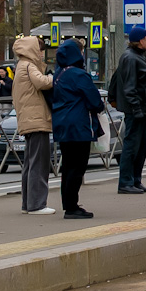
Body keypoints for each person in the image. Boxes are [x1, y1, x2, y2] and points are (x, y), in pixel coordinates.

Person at [51, 38, 105, 219]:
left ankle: (68, 204)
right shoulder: (79, 75)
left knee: (67, 166)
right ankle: (72, 207)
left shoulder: (59, 74)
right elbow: (95, 101)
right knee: (77, 166)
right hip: (79, 125)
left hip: (62, 124)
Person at [109, 25, 146, 194]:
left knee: (141, 146)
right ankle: (126, 182)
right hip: (135, 110)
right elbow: (130, 88)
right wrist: (136, 108)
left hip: (141, 109)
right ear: (140, 41)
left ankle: (136, 180)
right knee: (131, 146)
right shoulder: (131, 59)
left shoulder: (137, 57)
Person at [12, 36, 55, 214]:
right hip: (36, 120)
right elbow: (42, 82)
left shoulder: (20, 65)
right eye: (40, 50)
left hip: (28, 120)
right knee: (39, 163)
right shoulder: (29, 65)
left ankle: (27, 203)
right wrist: (56, 78)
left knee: (30, 163)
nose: (41, 54)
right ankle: (37, 204)